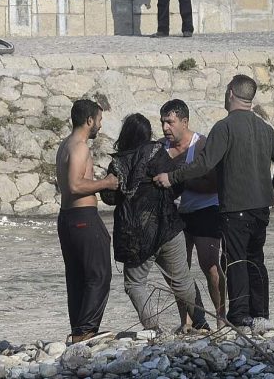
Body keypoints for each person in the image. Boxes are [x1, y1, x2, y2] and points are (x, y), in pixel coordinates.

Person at [153, 75, 274, 329]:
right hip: (261, 208)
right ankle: (261, 315)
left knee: (236, 260)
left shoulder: (224, 127)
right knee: (256, 259)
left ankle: (239, 316)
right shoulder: (265, 128)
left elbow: (204, 164)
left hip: (234, 208)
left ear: (230, 94)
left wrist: (172, 177)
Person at [101, 113, 208, 333]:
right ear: (147, 134)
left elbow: (109, 198)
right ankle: (201, 322)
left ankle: (155, 330)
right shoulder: (157, 153)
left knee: (135, 285)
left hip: (135, 237)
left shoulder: (118, 162)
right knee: (182, 281)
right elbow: (176, 184)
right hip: (168, 227)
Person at [159, 99, 229, 330]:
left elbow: (213, 184)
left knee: (209, 264)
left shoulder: (201, 145)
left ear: (184, 121)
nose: (165, 128)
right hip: (176, 213)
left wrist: (178, 181)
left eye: (170, 122)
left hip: (205, 209)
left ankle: (221, 316)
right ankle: (187, 320)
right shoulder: (160, 148)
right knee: (180, 270)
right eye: (162, 122)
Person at [55, 99, 119, 344]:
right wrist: (106, 183)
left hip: (68, 219)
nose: (100, 126)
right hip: (82, 218)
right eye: (99, 120)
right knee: (99, 274)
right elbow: (74, 185)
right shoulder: (80, 146)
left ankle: (78, 329)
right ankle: (85, 331)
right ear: (89, 120)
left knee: (77, 276)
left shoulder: (65, 145)